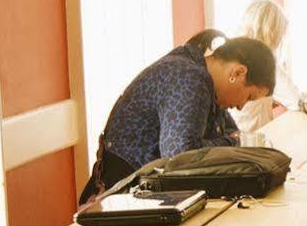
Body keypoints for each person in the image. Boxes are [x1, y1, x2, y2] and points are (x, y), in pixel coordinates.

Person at [79, 29, 276, 204]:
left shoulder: (206, 84)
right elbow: (180, 156)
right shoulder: (188, 79)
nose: (241, 107)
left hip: (143, 197)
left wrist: (229, 141)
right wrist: (231, 143)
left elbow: (232, 133)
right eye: (249, 96)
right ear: (238, 72)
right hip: (119, 201)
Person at [232, 0, 296, 137]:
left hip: (233, 139)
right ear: (272, 32)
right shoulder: (263, 62)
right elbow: (295, 101)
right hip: (254, 141)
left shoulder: (231, 54)